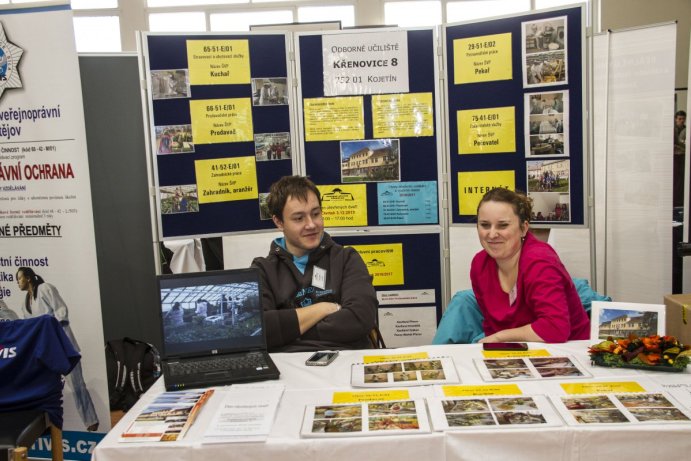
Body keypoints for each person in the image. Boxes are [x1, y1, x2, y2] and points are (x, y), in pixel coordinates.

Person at [251, 175, 377, 352]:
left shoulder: (346, 258)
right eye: (299, 218)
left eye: (316, 214)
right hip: (288, 370)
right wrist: (324, 309)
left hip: (346, 363)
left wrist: (288, 330)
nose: (311, 224)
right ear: (279, 222)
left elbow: (359, 319)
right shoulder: (263, 270)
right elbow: (259, 329)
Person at [469, 188, 590, 343]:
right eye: (485, 225)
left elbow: (556, 329)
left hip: (569, 350)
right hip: (517, 353)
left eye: (503, 225)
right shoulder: (480, 265)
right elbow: (491, 326)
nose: (492, 234)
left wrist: (500, 337)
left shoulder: (540, 261)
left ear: (524, 228)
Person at [16, 267, 100, 431]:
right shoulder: (25, 303)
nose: (17, 282)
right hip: (45, 351)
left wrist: (49, 328)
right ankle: (48, 425)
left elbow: (61, 311)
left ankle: (91, 422)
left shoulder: (45, 288)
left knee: (77, 386)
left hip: (63, 345)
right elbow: (29, 327)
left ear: (28, 277)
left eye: (19, 278)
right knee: (46, 389)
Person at [673, 110, 686, 207]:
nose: (681, 121)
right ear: (675, 119)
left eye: (683, 119)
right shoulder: (673, 130)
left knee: (681, 181)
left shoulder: (687, 130)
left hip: (682, 157)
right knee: (674, 180)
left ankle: (679, 202)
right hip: (674, 157)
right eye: (679, 119)